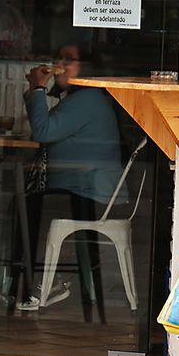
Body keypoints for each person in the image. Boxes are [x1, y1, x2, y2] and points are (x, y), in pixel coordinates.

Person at [19, 45, 124, 311]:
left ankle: (29, 284)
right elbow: (43, 128)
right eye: (59, 58)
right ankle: (31, 281)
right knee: (23, 202)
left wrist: (39, 88)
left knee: (23, 205)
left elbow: (42, 132)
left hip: (89, 191)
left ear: (87, 67)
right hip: (80, 186)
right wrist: (34, 89)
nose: (61, 64)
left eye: (69, 60)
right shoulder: (82, 99)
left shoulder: (87, 99)